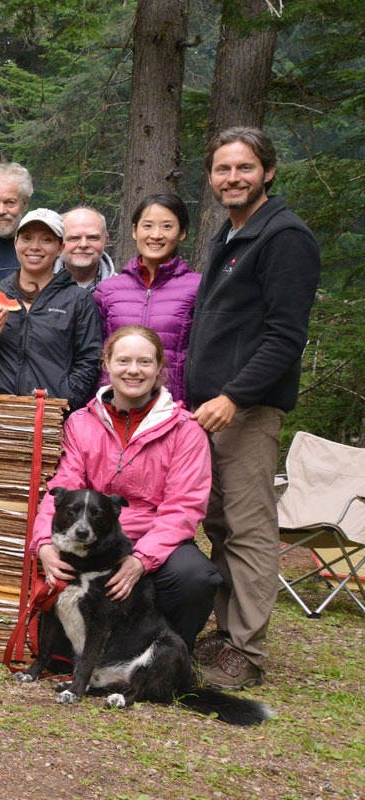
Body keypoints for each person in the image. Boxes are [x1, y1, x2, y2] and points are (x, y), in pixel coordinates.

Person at [184, 126, 321, 690]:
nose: (232, 178)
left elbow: (285, 338)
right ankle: (227, 631)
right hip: (211, 408)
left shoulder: (285, 237)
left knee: (248, 526)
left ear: (268, 171)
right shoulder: (232, 234)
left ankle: (246, 650)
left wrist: (234, 396)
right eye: (222, 169)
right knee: (218, 523)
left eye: (244, 168)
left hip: (245, 409)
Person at [30, 325, 221, 650]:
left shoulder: (186, 430)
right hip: (94, 540)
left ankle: (167, 656)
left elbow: (183, 508)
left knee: (196, 577)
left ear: (160, 369)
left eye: (144, 362)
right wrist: (44, 543)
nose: (133, 370)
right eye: (123, 361)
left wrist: (140, 559)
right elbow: (61, 489)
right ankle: (81, 653)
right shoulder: (80, 423)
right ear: (106, 364)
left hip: (156, 542)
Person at [0, 209, 103, 407]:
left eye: (46, 240)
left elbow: (89, 361)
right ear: (16, 243)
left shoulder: (78, 300)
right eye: (27, 238)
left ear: (60, 247)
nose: (35, 247)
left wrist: (65, 399)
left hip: (52, 415)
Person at [93, 194, 200, 402]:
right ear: (134, 231)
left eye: (167, 226)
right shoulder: (108, 291)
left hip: (173, 407)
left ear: (182, 232)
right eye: (148, 226)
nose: (156, 235)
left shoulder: (198, 288)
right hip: (114, 406)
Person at [55, 206, 117, 289]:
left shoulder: (123, 289)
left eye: (92, 237)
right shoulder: (37, 286)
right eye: (74, 238)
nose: (83, 245)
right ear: (59, 242)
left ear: (105, 240)